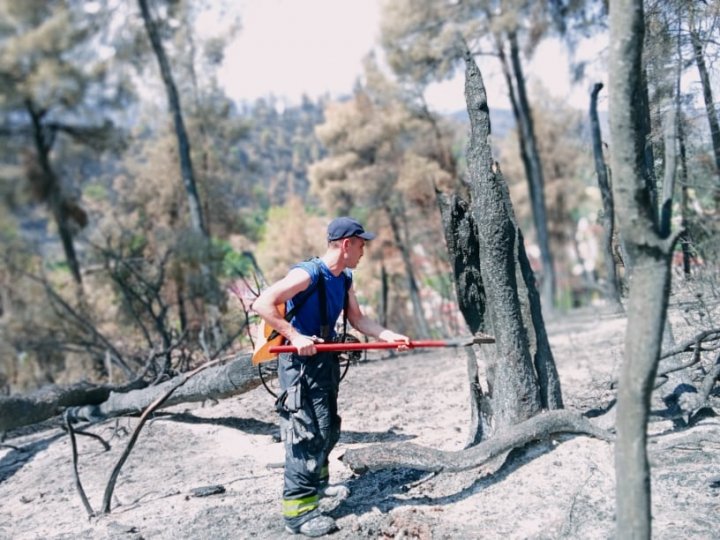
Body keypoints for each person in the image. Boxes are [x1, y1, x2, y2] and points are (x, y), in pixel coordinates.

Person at [252, 216, 410, 537]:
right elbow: (262, 303)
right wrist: (295, 336)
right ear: (346, 244)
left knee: (327, 426)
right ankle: (298, 512)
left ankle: (318, 487)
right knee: (304, 433)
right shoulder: (307, 274)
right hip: (298, 365)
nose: (363, 252)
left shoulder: (345, 278)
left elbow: (358, 319)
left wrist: (388, 335)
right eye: (361, 245)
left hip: (325, 359)